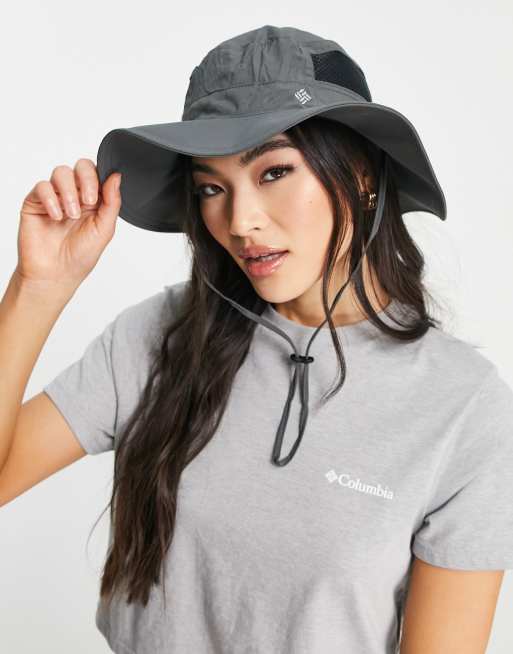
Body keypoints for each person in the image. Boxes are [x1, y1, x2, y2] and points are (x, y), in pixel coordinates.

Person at [1, 24, 513, 654]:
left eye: (274, 171)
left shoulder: (464, 408)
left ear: (360, 172)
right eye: (211, 188)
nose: (240, 221)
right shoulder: (160, 335)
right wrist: (38, 288)